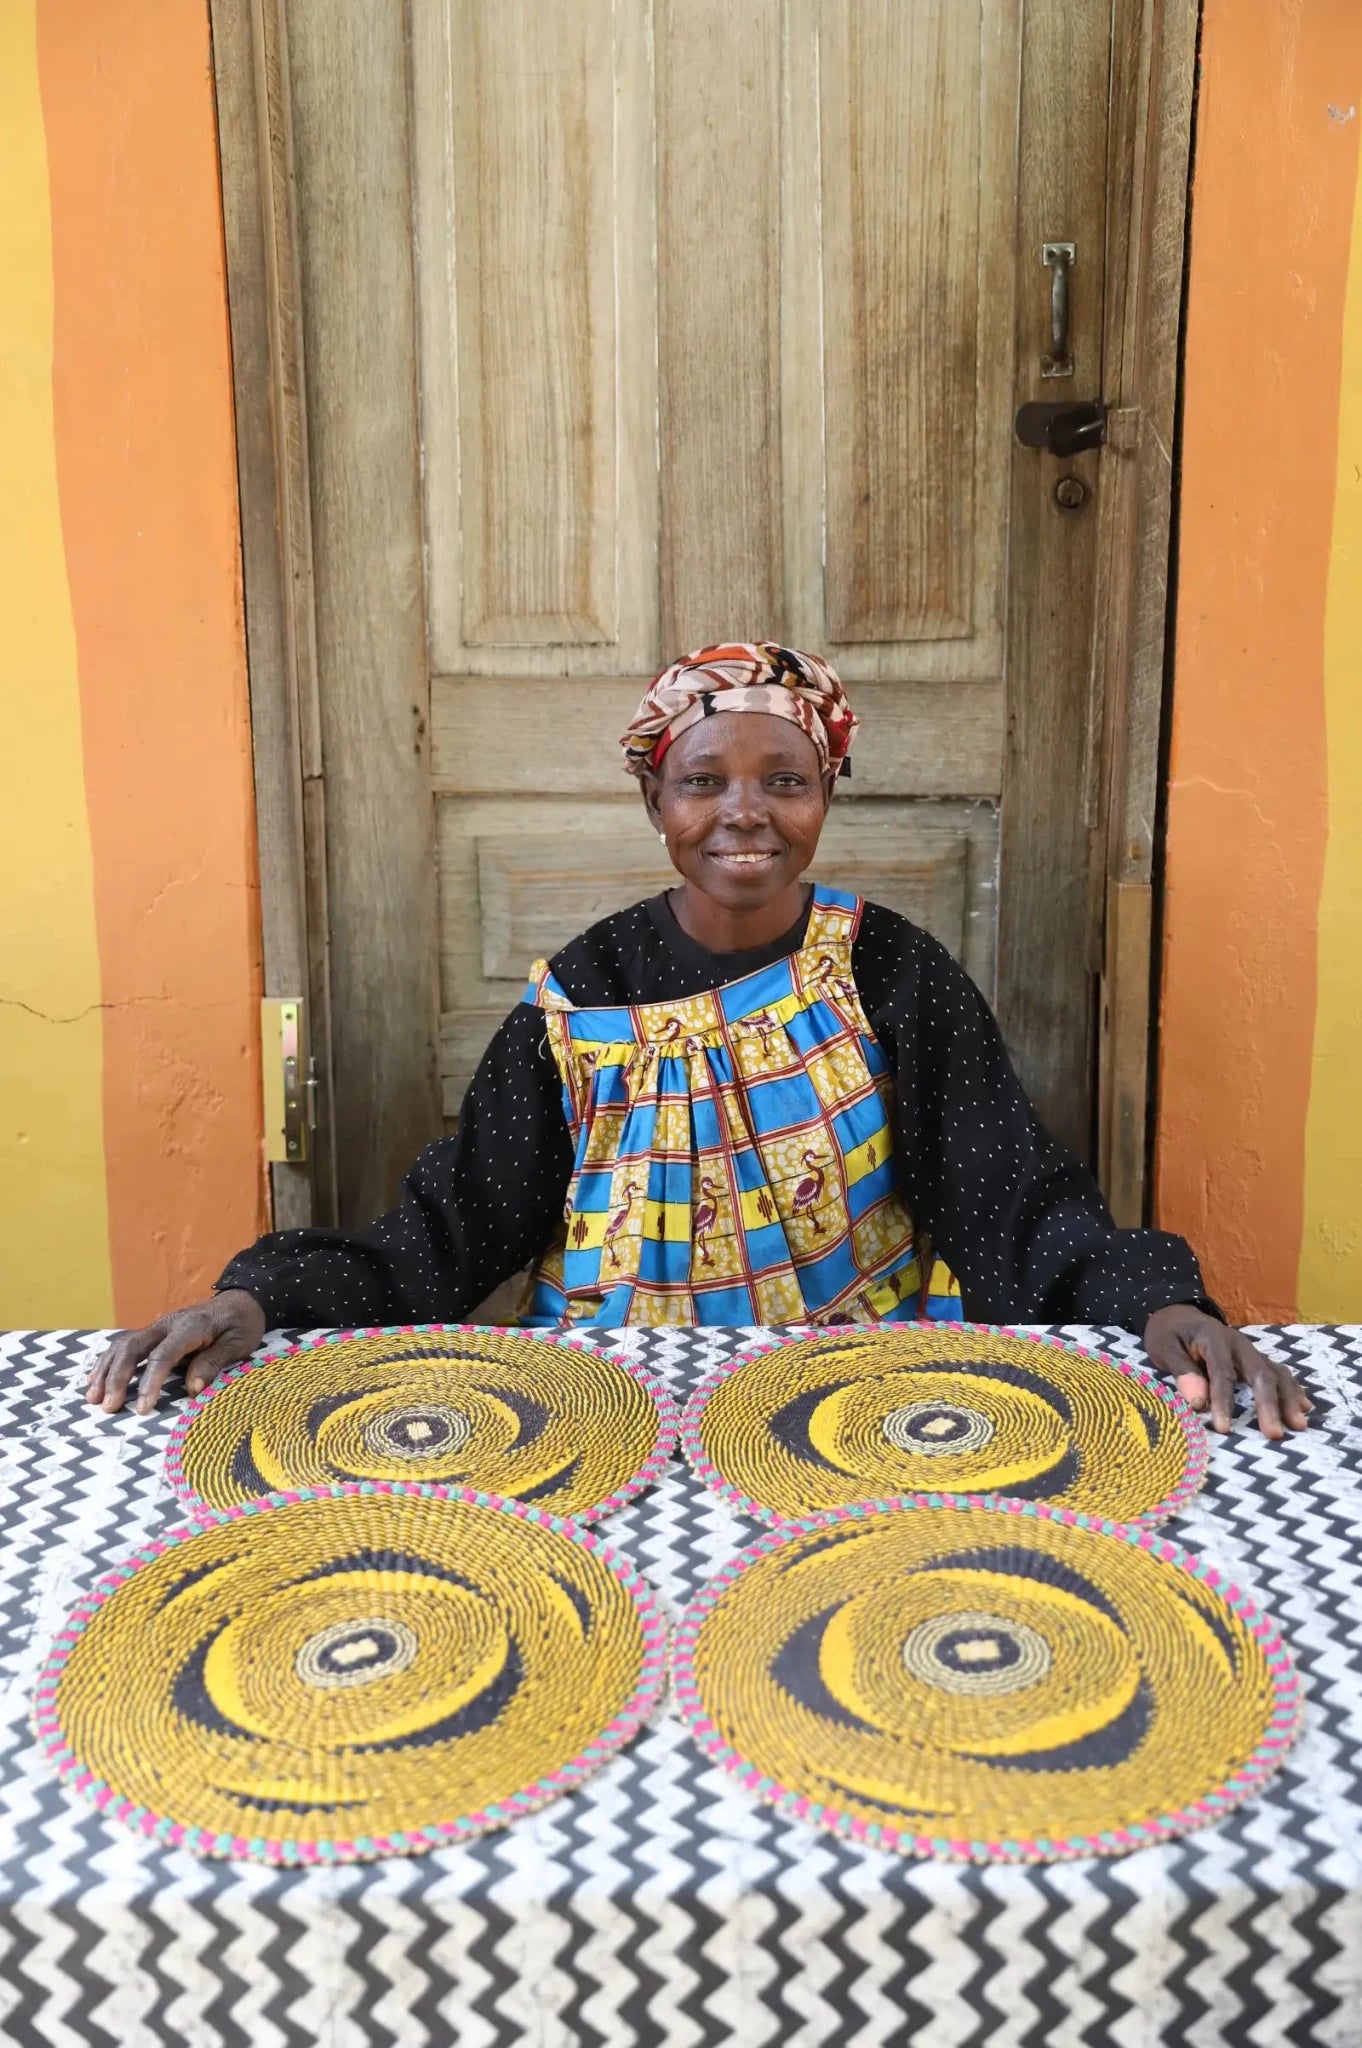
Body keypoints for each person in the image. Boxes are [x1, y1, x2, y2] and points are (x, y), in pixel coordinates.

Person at [89, 643, 1310, 1440]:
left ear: (826, 793)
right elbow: (456, 1220)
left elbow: (1007, 1193)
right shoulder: (583, 994)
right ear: (654, 801)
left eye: (785, 778)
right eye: (703, 781)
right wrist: (259, 1296)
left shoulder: (889, 970)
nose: (745, 812)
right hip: (604, 1399)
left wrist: (1154, 1300)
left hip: (857, 1395)